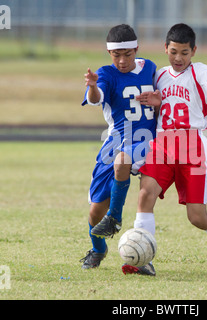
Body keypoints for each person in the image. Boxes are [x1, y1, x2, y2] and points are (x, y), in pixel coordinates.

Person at [122, 23, 207, 276]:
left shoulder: (201, 71)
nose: (178, 58)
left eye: (184, 53)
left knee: (197, 217)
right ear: (165, 48)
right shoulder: (161, 75)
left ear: (193, 51)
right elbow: (161, 108)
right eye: (173, 51)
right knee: (145, 195)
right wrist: (157, 104)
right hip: (163, 143)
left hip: (193, 145)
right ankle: (143, 259)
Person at [79, 24, 158, 269]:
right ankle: (98, 249)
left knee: (145, 198)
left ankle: (136, 248)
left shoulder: (151, 68)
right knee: (94, 212)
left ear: (136, 49)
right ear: (109, 53)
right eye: (116, 55)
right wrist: (92, 86)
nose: (122, 61)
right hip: (116, 141)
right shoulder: (106, 74)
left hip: (147, 140)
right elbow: (96, 98)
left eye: (127, 54)